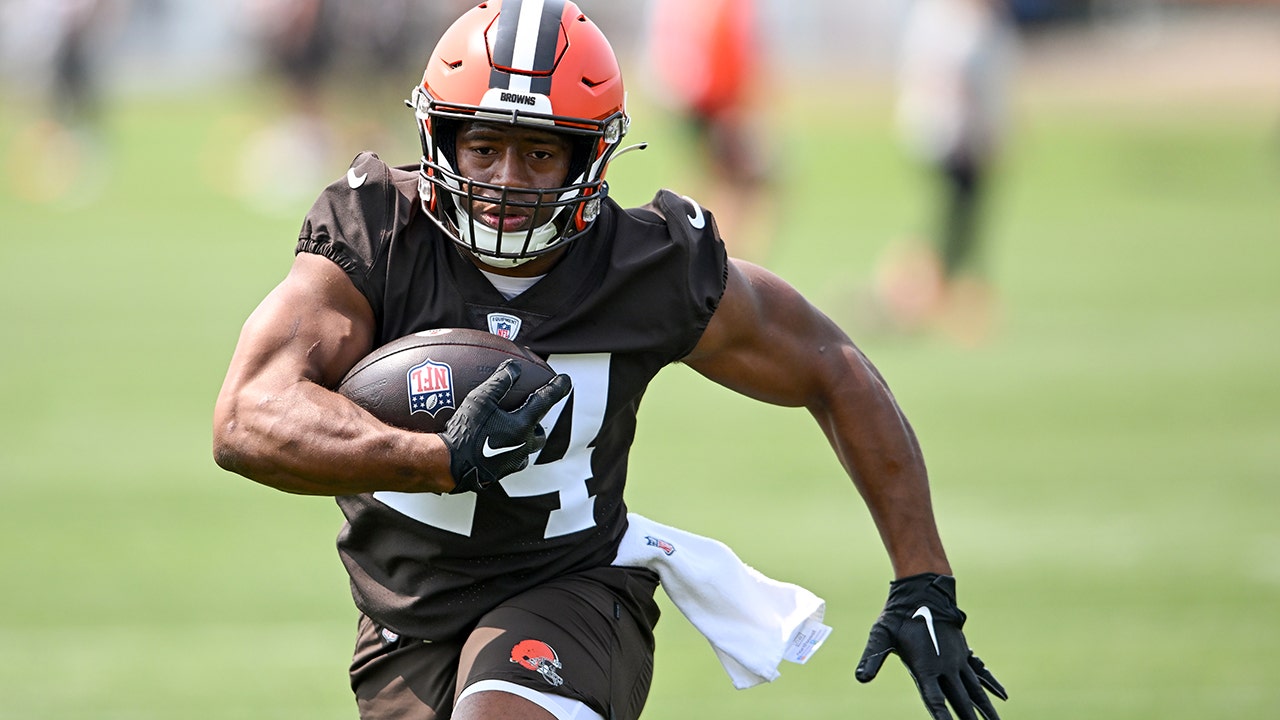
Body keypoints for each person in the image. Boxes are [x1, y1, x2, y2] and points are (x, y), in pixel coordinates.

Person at [212, 2, 1006, 719]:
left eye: (539, 155)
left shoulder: (644, 265)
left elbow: (830, 364)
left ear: (590, 158)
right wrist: (437, 458)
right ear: (439, 136)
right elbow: (247, 417)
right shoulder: (379, 233)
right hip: (405, 620)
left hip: (573, 589)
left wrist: (923, 578)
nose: (505, 181)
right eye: (483, 145)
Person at [875, 0, 1017, 343]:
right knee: (953, 223)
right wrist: (971, 133)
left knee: (957, 224)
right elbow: (950, 78)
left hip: (959, 135)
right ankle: (906, 292)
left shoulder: (970, 21)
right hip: (950, 137)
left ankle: (920, 294)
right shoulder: (947, 21)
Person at [642, 0, 776, 261]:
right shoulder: (723, 7)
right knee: (743, 182)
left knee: (716, 178)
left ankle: (679, 247)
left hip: (688, 92)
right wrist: (733, 104)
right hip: (713, 99)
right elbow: (727, 46)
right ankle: (720, 258)